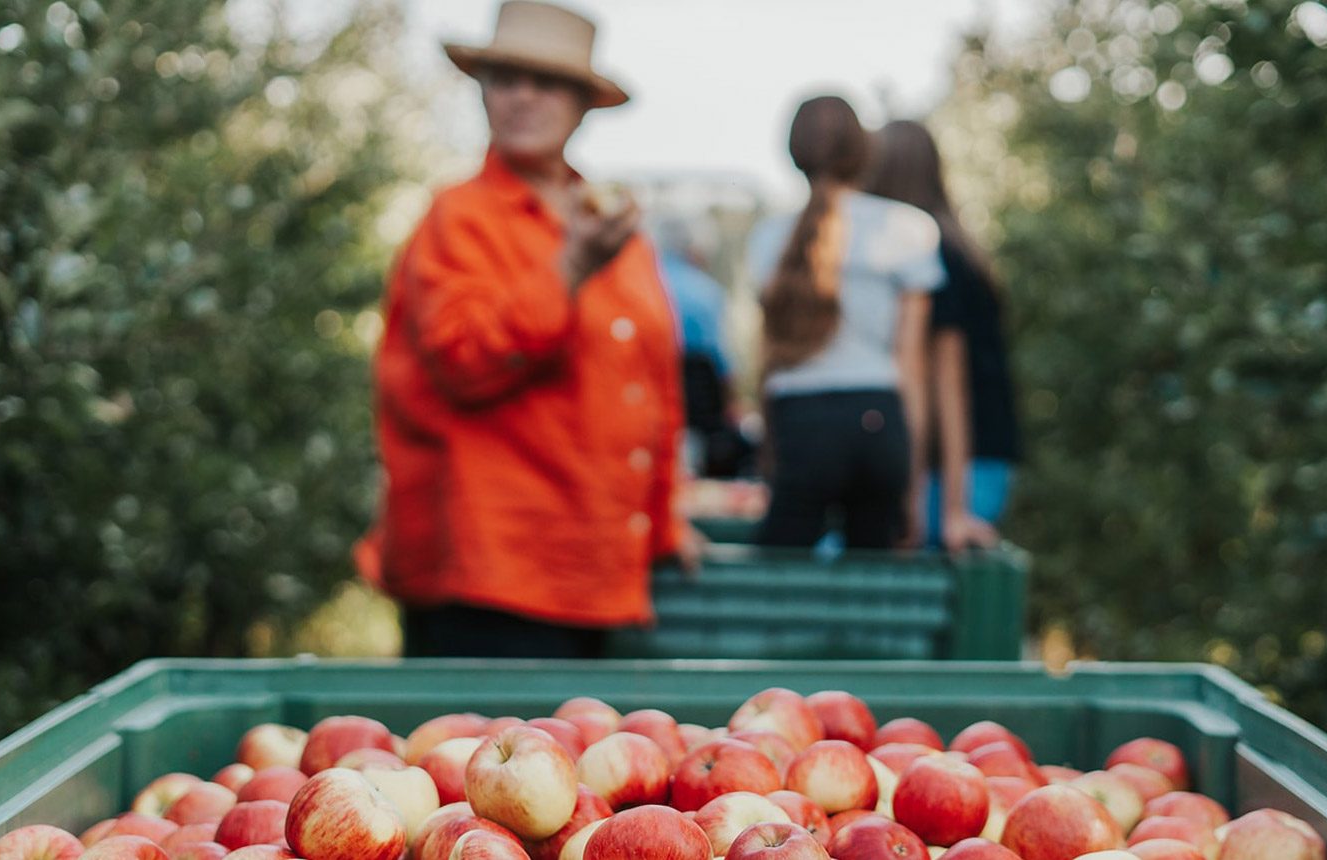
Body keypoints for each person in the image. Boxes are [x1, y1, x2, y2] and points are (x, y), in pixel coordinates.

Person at [352, 0, 698, 658]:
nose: (522, 98)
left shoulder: (616, 231)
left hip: (599, 573)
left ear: (581, 103)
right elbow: (465, 363)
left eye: (546, 83)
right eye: (505, 80)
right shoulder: (460, 219)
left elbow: (652, 384)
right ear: (482, 91)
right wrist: (568, 268)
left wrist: (661, 517)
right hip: (492, 577)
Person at [746, 96, 942, 550]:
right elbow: (910, 365)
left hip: (802, 419)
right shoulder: (909, 230)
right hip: (878, 418)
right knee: (872, 588)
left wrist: (772, 448)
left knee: (780, 579)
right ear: (864, 151)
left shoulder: (768, 239)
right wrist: (911, 487)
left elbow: (767, 358)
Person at [863, 120, 1022, 551]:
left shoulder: (929, 256)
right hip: (978, 462)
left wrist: (949, 506)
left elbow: (946, 383)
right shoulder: (960, 250)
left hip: (955, 471)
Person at [653, 215, 753, 478]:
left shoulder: (644, 287)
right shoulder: (708, 292)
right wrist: (734, 404)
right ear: (696, 250)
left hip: (652, 404)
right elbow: (722, 364)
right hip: (701, 412)